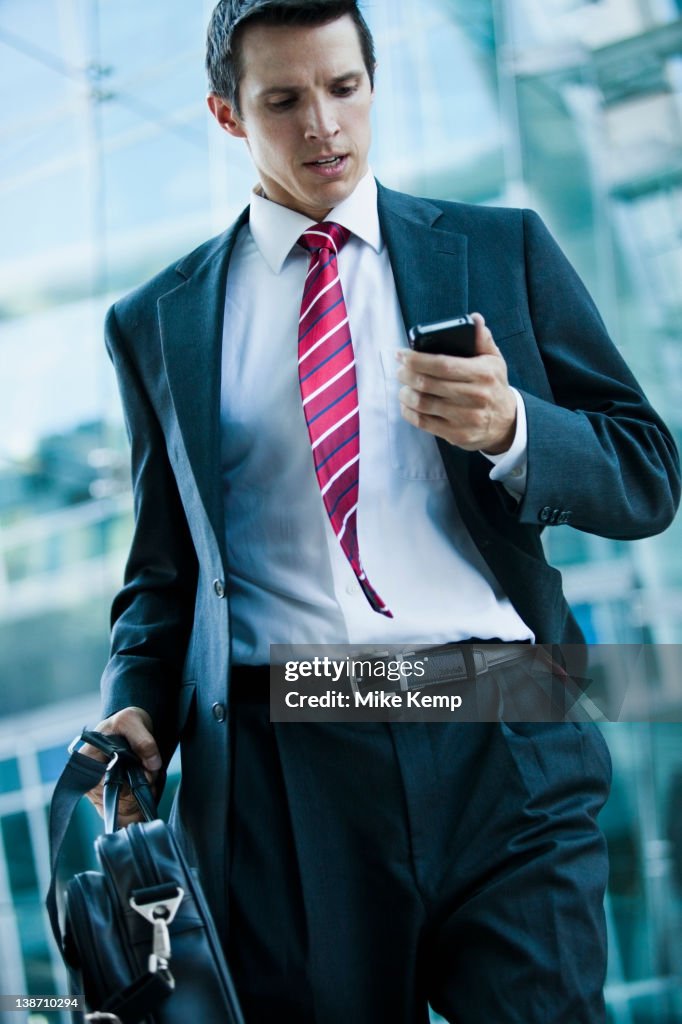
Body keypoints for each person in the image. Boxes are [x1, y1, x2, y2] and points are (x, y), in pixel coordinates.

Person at [85, 1, 680, 1021]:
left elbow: (646, 474)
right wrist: (134, 693)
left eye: (343, 87)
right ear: (229, 115)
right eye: (283, 99)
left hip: (500, 720)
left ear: (371, 83)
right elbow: (163, 569)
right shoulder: (157, 320)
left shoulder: (500, 250)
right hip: (292, 765)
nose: (323, 123)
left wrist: (512, 429)